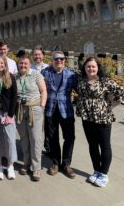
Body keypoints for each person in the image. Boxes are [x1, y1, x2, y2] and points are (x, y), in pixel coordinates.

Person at [76, 56, 124, 187]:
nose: (91, 68)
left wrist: (111, 105)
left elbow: (121, 92)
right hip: (87, 118)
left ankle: (104, 173)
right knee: (92, 145)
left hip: (103, 118)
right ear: (84, 68)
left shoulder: (105, 81)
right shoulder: (81, 80)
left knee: (105, 146)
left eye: (93, 66)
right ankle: (96, 170)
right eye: (88, 66)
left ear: (98, 68)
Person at [42, 51, 77, 179]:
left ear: (64, 60)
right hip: (50, 110)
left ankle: (66, 164)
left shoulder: (71, 75)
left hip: (66, 110)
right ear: (52, 60)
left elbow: (80, 90)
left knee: (70, 137)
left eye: (61, 59)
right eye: (56, 59)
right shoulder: (45, 72)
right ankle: (55, 163)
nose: (59, 61)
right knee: (52, 137)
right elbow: (39, 89)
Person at [16, 55, 47, 181]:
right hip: (19, 110)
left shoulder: (36, 74)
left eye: (25, 63)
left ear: (29, 64)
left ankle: (36, 168)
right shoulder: (15, 76)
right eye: (21, 63)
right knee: (24, 138)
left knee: (35, 138)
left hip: (34, 109)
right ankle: (26, 163)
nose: (23, 65)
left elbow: (44, 90)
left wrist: (42, 106)